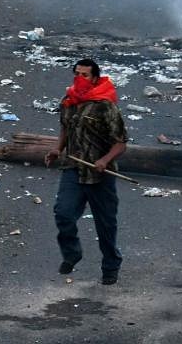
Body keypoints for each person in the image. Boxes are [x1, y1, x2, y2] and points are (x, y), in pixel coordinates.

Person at [45, 59, 127, 285]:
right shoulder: (69, 101)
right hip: (73, 168)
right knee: (63, 213)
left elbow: (121, 143)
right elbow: (65, 128)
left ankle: (111, 266)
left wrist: (104, 160)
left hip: (101, 174)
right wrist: (56, 149)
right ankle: (72, 253)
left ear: (94, 77)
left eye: (85, 75)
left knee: (106, 224)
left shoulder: (105, 106)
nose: (80, 78)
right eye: (77, 74)